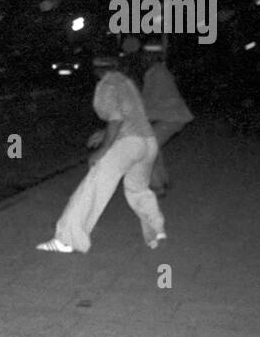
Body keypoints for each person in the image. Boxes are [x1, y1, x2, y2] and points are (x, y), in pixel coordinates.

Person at [38, 55, 165, 253]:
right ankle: (156, 230)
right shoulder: (126, 82)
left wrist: (102, 150)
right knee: (138, 189)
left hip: (128, 144)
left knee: (93, 187)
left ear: (97, 70)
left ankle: (67, 240)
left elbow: (116, 119)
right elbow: (132, 114)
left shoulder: (106, 86)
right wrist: (104, 133)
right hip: (148, 141)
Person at [139, 40, 194, 195]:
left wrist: (137, 116)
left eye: (146, 55)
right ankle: (163, 180)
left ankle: (157, 186)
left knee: (148, 146)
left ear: (152, 57)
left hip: (171, 118)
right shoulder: (155, 72)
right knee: (152, 144)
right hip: (170, 117)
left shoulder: (157, 74)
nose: (143, 58)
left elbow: (151, 101)